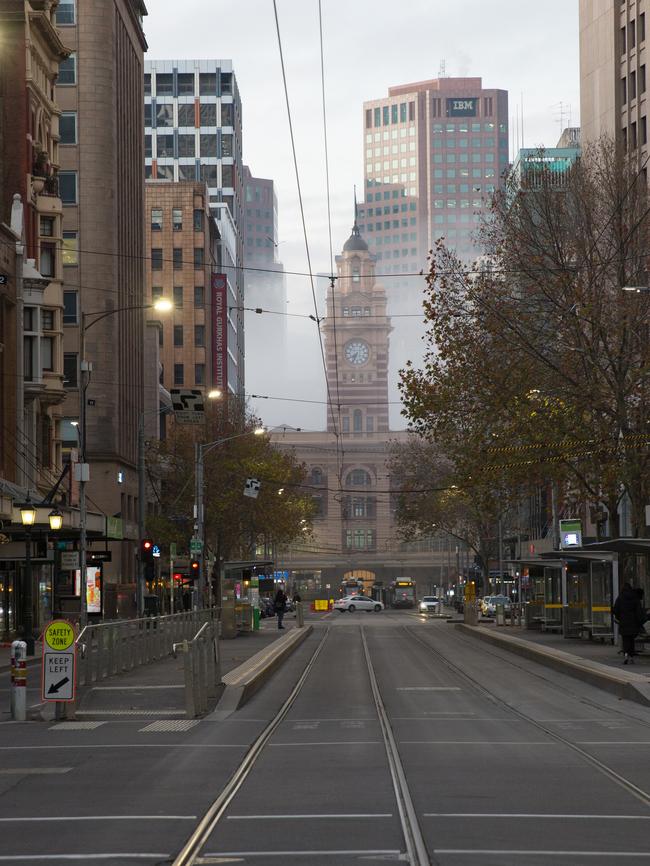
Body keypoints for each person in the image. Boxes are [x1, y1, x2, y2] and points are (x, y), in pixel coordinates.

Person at [613, 583, 645, 664]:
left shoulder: (620, 598)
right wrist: (640, 622)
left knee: (625, 639)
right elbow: (639, 612)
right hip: (633, 623)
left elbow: (615, 610)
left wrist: (619, 617)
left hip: (623, 622)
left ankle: (626, 654)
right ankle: (631, 656)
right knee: (631, 640)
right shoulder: (635, 598)